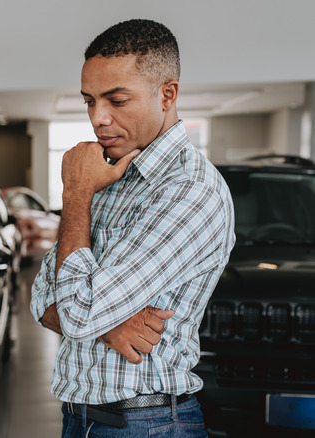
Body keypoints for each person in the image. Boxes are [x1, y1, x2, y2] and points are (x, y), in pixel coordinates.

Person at [30, 19, 235, 436]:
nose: (98, 118)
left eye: (116, 100)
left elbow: (77, 312)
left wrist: (75, 196)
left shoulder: (189, 191)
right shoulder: (112, 175)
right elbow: (40, 297)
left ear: (167, 94)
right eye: (89, 100)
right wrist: (107, 323)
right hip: (85, 418)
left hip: (146, 424)